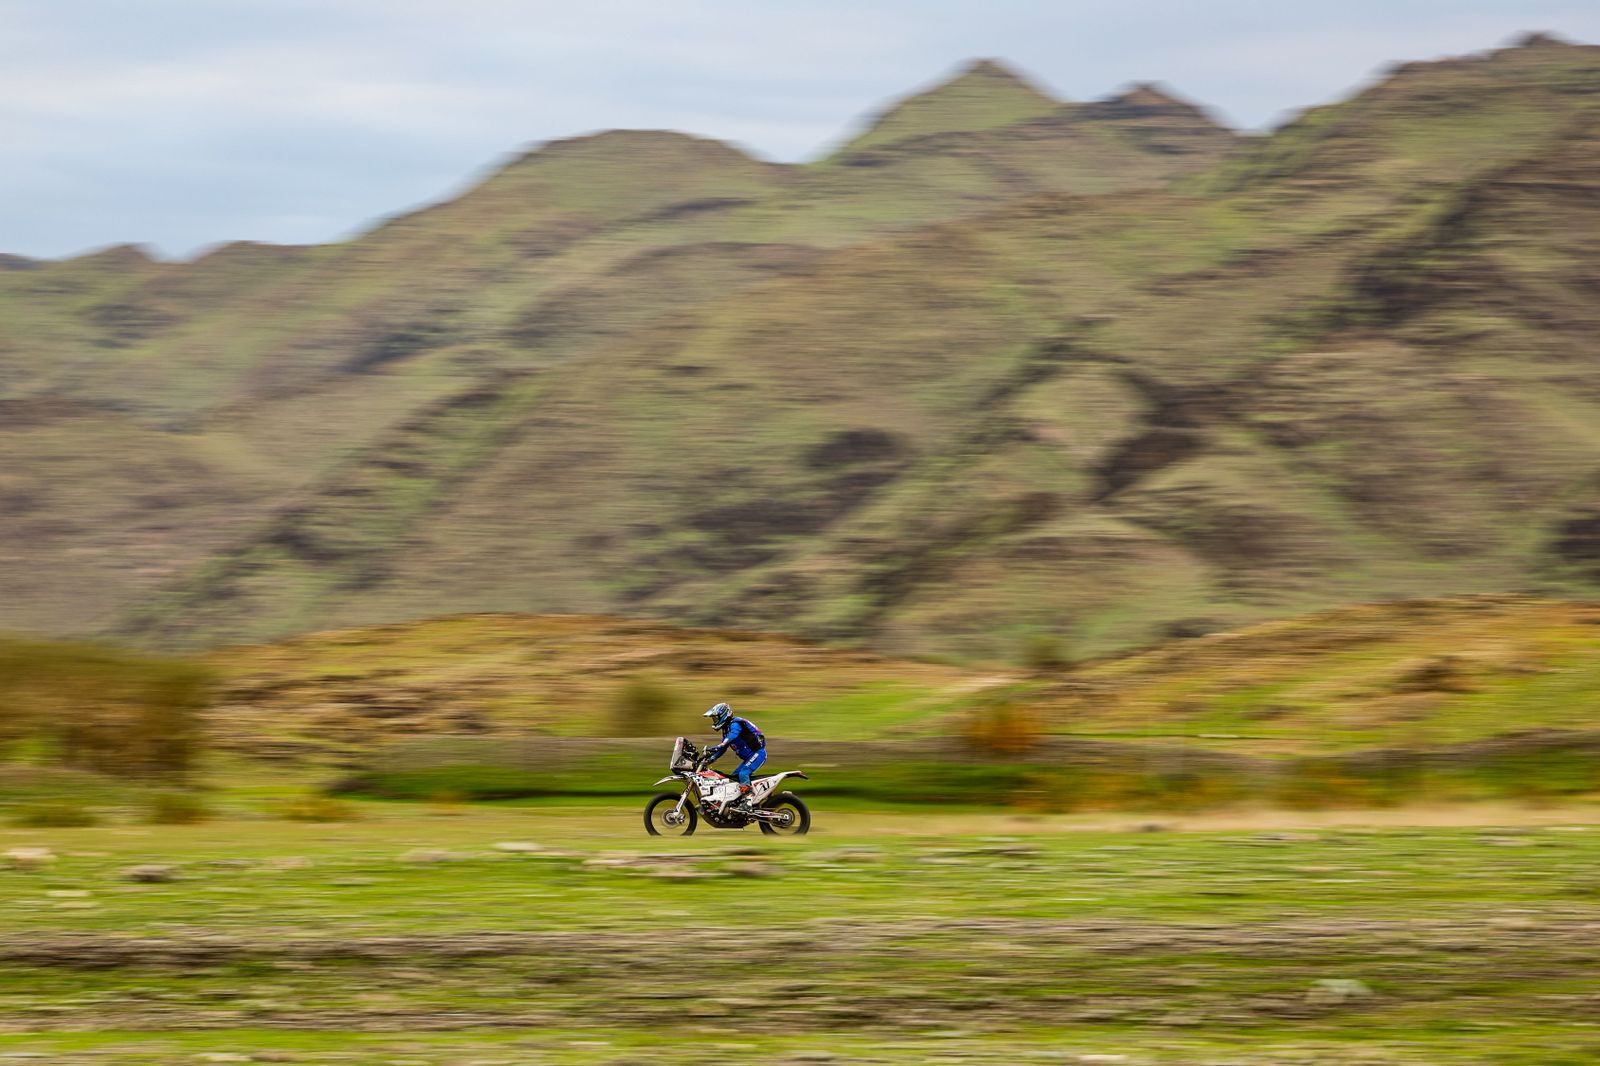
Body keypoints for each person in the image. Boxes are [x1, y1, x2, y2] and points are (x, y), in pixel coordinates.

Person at [700, 702, 766, 809]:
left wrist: (720, 745)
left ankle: (748, 801)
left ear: (723, 715)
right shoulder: (726, 730)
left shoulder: (735, 724)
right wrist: (710, 759)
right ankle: (738, 803)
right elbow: (722, 748)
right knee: (734, 777)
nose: (714, 721)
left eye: (716, 718)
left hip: (758, 753)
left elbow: (732, 736)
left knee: (743, 773)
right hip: (750, 757)